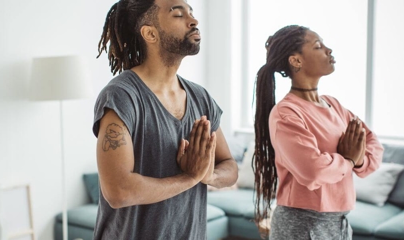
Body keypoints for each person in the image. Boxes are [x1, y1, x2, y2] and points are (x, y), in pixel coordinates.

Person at [92, 0, 238, 239]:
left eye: (191, 12)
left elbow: (229, 165)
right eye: (178, 14)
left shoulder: (201, 98)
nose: (193, 21)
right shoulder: (122, 95)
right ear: (150, 33)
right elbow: (118, 191)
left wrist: (207, 175)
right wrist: (189, 178)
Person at [252, 25, 384, 239]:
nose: (329, 50)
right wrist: (348, 160)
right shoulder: (286, 113)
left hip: (340, 222)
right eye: (318, 46)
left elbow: (373, 144)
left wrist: (359, 161)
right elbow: (312, 170)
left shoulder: (334, 105)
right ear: (296, 61)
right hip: (303, 224)